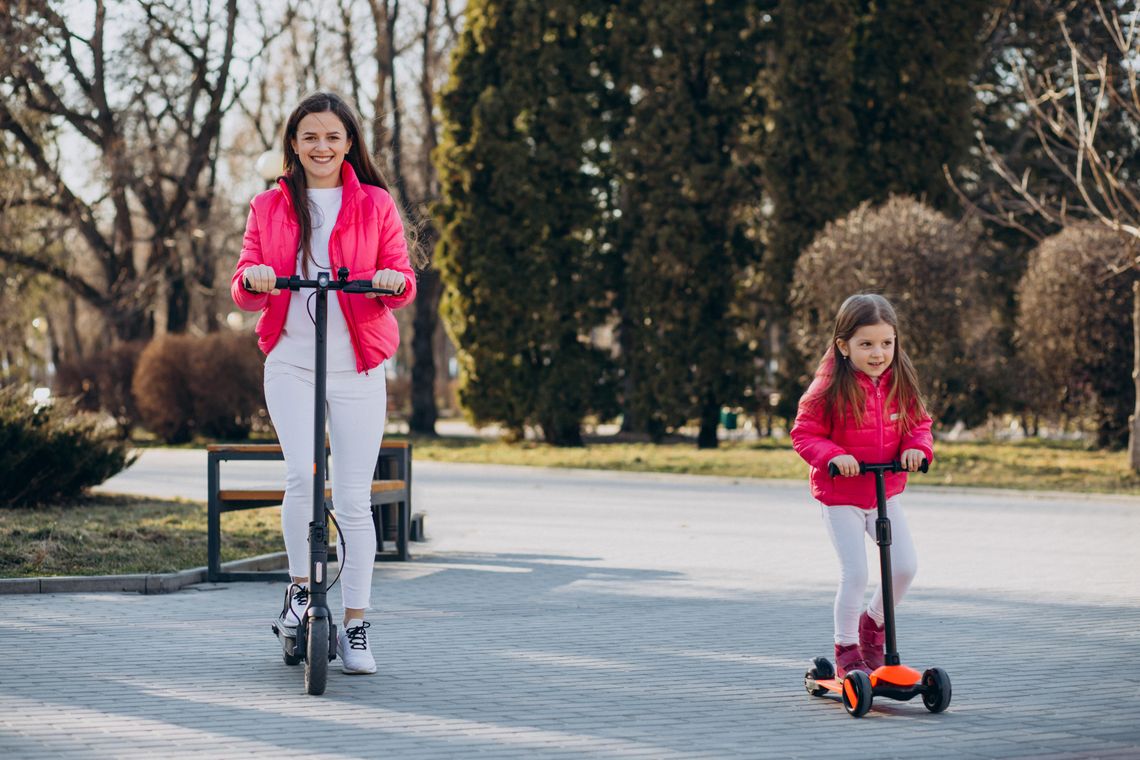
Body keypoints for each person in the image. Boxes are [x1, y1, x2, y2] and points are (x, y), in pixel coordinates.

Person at [231, 91, 422, 675]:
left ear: (349, 144)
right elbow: (242, 286)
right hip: (291, 361)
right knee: (301, 477)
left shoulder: (375, 204)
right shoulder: (268, 205)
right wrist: (259, 278)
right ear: (293, 142)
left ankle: (357, 625)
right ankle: (301, 590)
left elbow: (405, 280)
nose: (322, 147)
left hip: (358, 366)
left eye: (333, 137)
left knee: (353, 500)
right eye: (310, 136)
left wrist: (391, 281)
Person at [790, 293, 933, 678]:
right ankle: (846, 647)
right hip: (841, 498)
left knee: (904, 567)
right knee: (855, 574)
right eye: (866, 344)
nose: (878, 353)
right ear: (843, 345)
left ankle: (873, 625)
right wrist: (834, 456)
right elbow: (804, 433)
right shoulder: (828, 386)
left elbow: (919, 424)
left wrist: (917, 448)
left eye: (886, 343)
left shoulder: (900, 382)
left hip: (884, 492)